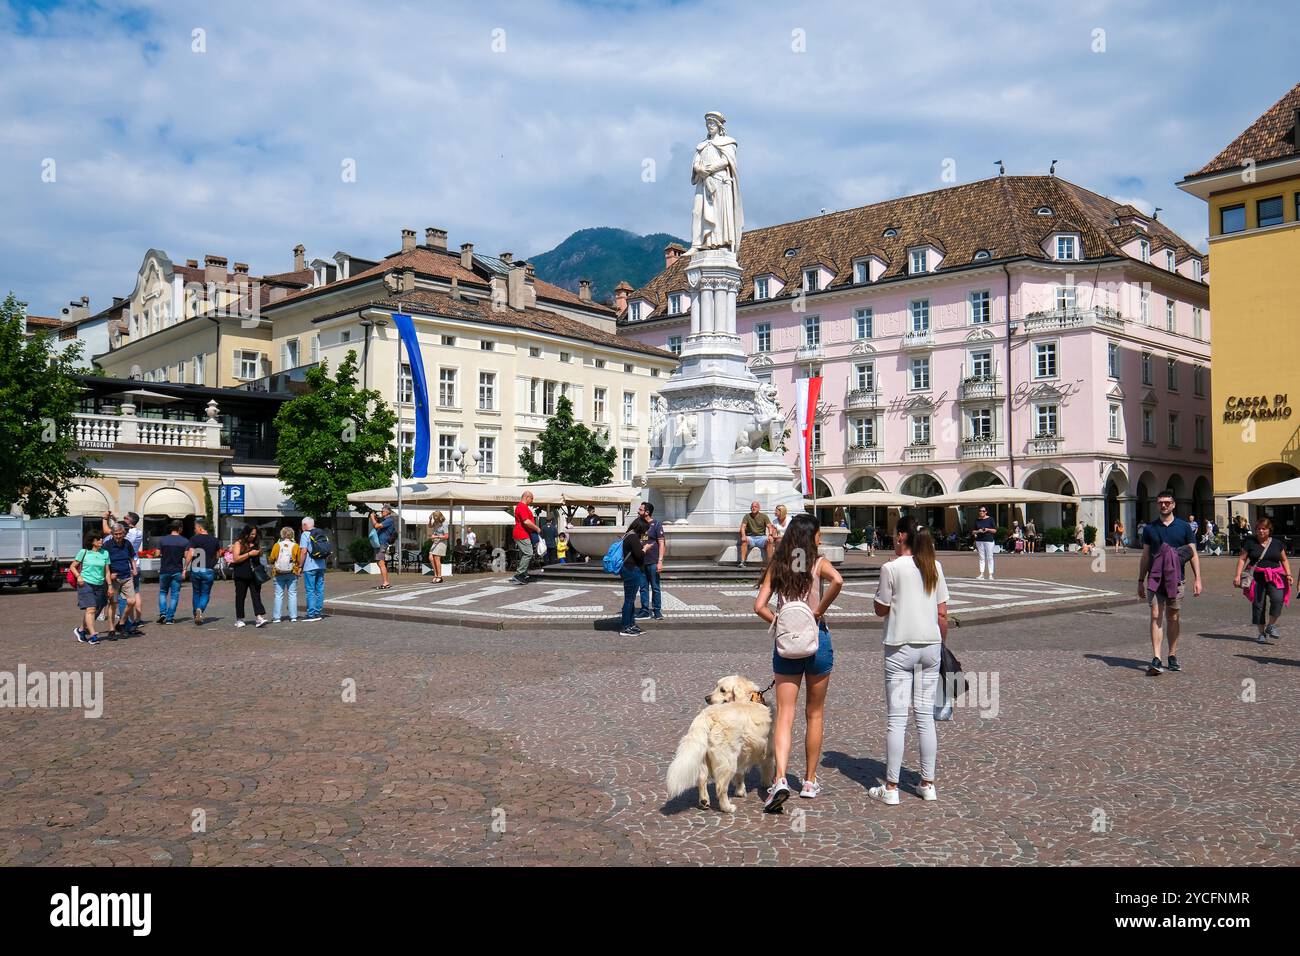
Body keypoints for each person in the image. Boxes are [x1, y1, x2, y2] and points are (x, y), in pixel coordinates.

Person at [754, 513, 843, 811]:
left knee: (785, 715)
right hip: (817, 641)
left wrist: (779, 621)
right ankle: (808, 780)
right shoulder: (817, 562)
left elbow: (758, 606)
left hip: (787, 644)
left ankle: (779, 778)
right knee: (814, 713)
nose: (820, 539)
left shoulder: (779, 564)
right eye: (818, 534)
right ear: (811, 536)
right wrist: (817, 612)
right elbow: (838, 581)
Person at [868, 516, 949, 805]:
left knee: (897, 719)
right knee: (925, 716)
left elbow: (881, 609)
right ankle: (928, 784)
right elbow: (942, 613)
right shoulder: (934, 566)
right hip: (930, 647)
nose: (893, 537)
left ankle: (891, 788)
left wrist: (877, 598)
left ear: (901, 536)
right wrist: (942, 644)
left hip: (900, 647)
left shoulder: (891, 567)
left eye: (895, 534)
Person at [1138, 490, 1201, 675]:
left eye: (1167, 502)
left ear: (1173, 504)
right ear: (1157, 505)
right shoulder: (1150, 528)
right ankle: (1156, 657)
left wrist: (1198, 578)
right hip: (1155, 579)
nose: (1164, 505)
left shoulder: (1184, 527)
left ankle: (1172, 655)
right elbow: (1145, 556)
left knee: (1173, 617)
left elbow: (1193, 554)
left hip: (1177, 579)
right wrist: (1140, 580)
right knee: (1156, 614)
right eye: (1160, 503)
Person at [1234, 517, 1293, 644]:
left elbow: (1284, 559)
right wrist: (1238, 575)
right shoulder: (1250, 543)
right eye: (1259, 529)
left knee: (1278, 599)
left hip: (1275, 577)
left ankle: (1271, 626)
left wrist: (1288, 574)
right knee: (1258, 605)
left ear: (1269, 530)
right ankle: (1261, 633)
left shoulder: (1277, 543)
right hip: (1257, 578)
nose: (1261, 531)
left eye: (1264, 529)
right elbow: (1242, 559)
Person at [103, 510, 143, 633]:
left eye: (121, 534)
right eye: (116, 534)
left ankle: (122, 622)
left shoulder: (127, 542)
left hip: (126, 575)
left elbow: (131, 556)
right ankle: (112, 629)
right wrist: (109, 575)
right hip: (114, 577)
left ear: (124, 533)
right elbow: (105, 562)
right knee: (113, 603)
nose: (119, 536)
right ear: (113, 534)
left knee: (131, 601)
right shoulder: (108, 544)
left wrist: (134, 569)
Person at [71, 530, 113, 645]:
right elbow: (73, 566)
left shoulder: (105, 553)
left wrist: (109, 586)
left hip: (100, 585)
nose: (101, 540)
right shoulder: (84, 552)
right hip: (85, 584)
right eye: (98, 539)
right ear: (92, 541)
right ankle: (93, 634)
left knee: (97, 608)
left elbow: (107, 572)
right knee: (91, 609)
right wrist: (78, 576)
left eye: (101, 538)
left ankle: (80, 630)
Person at [619, 516, 653, 637]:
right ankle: (625, 627)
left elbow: (645, 539)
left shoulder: (630, 534)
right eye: (645, 529)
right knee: (629, 600)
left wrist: (646, 540)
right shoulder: (633, 537)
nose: (646, 532)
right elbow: (639, 555)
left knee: (631, 599)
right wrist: (645, 549)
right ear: (640, 528)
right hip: (631, 570)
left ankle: (631, 624)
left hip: (630, 569)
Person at [230, 525, 268, 628]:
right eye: (251, 534)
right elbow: (236, 558)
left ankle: (259, 617)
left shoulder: (256, 543)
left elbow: (259, 556)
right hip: (241, 573)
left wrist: (259, 552)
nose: (253, 536)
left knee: (256, 595)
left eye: (255, 534)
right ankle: (240, 618)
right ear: (246, 533)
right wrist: (249, 554)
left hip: (254, 574)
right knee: (240, 596)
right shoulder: (238, 543)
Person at [154, 520, 191, 625]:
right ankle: (170, 618)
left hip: (164, 569)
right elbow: (187, 556)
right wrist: (185, 569)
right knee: (174, 594)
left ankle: (162, 614)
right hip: (177, 570)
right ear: (180, 528)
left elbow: (157, 554)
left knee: (162, 592)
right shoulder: (184, 541)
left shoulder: (163, 540)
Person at [636, 502, 667, 621]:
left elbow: (661, 543)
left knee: (655, 587)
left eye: (640, 509)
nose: (638, 511)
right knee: (643, 587)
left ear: (647, 512)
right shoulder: (640, 525)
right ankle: (644, 610)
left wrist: (660, 561)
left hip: (653, 561)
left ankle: (657, 610)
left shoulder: (656, 525)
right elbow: (640, 540)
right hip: (641, 561)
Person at [188, 517, 220, 626]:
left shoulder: (194, 539)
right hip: (208, 570)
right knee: (205, 593)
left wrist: (185, 567)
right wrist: (212, 564)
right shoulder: (214, 540)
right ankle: (200, 609)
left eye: (195, 527)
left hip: (196, 569)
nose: (194, 530)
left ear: (200, 527)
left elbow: (190, 553)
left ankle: (196, 612)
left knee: (196, 592)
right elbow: (218, 555)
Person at [269, 526, 302, 623]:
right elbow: (299, 560)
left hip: (279, 572)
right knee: (292, 594)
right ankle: (293, 616)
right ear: (292, 535)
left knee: (278, 594)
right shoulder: (295, 546)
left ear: (282, 535)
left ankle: (277, 617)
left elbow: (271, 559)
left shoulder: (277, 545)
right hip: (292, 572)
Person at [299, 516, 327, 623]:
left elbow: (303, 552)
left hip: (309, 566)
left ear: (305, 525)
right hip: (321, 565)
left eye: (302, 525)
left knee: (310, 591)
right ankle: (318, 612)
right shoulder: (321, 533)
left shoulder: (305, 534)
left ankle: (311, 614)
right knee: (319, 590)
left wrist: (300, 566)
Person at [510, 491, 540, 585]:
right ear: (527, 497)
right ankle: (519, 574)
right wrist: (537, 528)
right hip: (521, 534)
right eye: (531, 498)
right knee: (528, 554)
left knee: (524, 554)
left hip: (523, 533)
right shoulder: (522, 507)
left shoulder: (523, 507)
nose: (532, 501)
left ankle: (524, 575)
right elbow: (526, 521)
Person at [737, 500, 773, 568]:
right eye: (752, 507)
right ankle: (742, 562)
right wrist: (744, 536)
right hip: (751, 537)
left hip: (761, 537)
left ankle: (770, 562)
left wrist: (770, 535)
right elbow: (743, 527)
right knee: (744, 541)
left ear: (759, 508)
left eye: (755, 507)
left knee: (770, 541)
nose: (754, 508)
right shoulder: (747, 516)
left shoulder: (764, 516)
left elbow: (769, 526)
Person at [369, 505, 395, 590]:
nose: (381, 512)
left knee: (381, 563)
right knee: (379, 563)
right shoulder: (385, 520)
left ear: (388, 512)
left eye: (383, 511)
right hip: (379, 543)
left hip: (382, 544)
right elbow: (376, 526)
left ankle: (385, 583)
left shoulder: (389, 520)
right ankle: (385, 582)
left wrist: (372, 517)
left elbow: (376, 526)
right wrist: (374, 519)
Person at [973, 506, 997, 580]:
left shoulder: (990, 519)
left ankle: (990, 574)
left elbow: (995, 530)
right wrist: (978, 531)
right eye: (980, 511)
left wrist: (987, 529)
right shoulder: (977, 520)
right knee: (981, 557)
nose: (981, 512)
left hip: (989, 540)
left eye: (983, 511)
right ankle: (981, 574)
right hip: (979, 540)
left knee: (990, 557)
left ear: (986, 512)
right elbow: (973, 531)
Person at [428, 511, 449, 583]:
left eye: (435, 517)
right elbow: (430, 526)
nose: (434, 518)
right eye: (434, 517)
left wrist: (436, 536)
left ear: (439, 516)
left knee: (436, 558)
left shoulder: (444, 524)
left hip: (442, 542)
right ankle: (436, 575)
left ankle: (439, 576)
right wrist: (430, 519)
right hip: (435, 541)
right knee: (430, 557)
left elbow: (446, 536)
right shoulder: (435, 522)